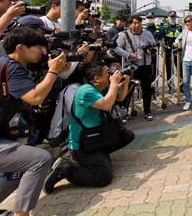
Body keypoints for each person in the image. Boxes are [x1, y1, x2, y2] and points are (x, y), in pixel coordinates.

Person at [0, 27, 69, 216]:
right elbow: (35, 98)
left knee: (20, 168)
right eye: (39, 48)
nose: (42, 52)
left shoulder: (5, 65)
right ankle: (21, 214)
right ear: (21, 48)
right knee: (40, 159)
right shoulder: (11, 68)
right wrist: (53, 72)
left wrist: (55, 73)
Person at [43, 63, 131, 194]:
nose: (112, 74)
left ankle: (100, 156)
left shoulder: (102, 87)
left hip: (95, 137)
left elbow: (119, 97)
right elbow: (107, 105)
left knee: (126, 135)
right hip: (82, 145)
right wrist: (113, 84)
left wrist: (125, 82)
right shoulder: (85, 91)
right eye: (108, 73)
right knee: (104, 178)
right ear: (96, 79)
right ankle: (65, 170)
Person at [0, 15, 55, 84]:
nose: (43, 38)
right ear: (27, 32)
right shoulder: (5, 46)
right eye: (40, 34)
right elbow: (21, 74)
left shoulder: (28, 50)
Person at [114, 15, 156, 121]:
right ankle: (124, 113)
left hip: (146, 66)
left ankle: (147, 111)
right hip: (131, 67)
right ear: (130, 25)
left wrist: (150, 51)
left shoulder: (147, 34)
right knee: (127, 91)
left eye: (139, 22)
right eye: (134, 23)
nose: (137, 25)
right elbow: (117, 48)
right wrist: (129, 54)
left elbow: (154, 46)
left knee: (146, 90)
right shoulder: (124, 35)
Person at [161, 11, 182, 88]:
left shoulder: (179, 27)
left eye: (173, 17)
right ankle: (170, 86)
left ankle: (181, 85)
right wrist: (163, 48)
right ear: (168, 17)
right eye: (171, 17)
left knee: (179, 67)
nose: (172, 19)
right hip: (168, 50)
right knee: (169, 68)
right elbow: (162, 38)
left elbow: (182, 38)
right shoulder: (164, 27)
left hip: (177, 51)